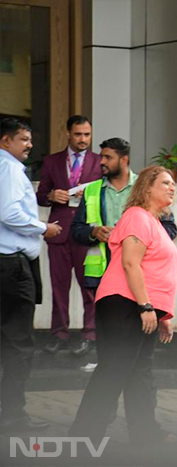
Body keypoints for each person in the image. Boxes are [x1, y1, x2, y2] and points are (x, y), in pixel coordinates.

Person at [69, 166, 177, 445]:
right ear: (146, 188)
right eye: (165, 182)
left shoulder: (153, 221)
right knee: (114, 371)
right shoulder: (137, 217)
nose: (172, 187)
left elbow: (153, 270)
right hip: (125, 304)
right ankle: (83, 437)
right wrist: (145, 306)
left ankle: (146, 434)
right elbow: (131, 263)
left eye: (173, 183)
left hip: (141, 306)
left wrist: (161, 312)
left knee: (139, 373)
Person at [0, 118, 61, 432]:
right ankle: (12, 416)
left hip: (8, 263)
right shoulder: (9, 169)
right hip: (11, 265)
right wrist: (43, 228)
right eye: (23, 139)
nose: (29, 145)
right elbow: (9, 212)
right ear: (5, 141)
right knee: (18, 344)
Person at [71, 137, 177, 291]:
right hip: (103, 272)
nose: (102, 162)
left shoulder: (146, 187)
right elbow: (76, 230)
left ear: (124, 160)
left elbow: (169, 228)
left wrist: (140, 237)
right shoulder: (92, 190)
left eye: (108, 157)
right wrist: (94, 232)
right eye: (102, 157)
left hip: (141, 271)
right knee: (102, 315)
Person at [37, 115, 102, 356]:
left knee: (90, 286)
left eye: (87, 134)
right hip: (59, 230)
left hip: (87, 231)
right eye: (78, 134)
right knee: (59, 287)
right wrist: (51, 196)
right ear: (68, 134)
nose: (83, 139)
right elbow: (40, 195)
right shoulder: (52, 161)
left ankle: (90, 335)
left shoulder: (99, 162)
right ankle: (59, 334)